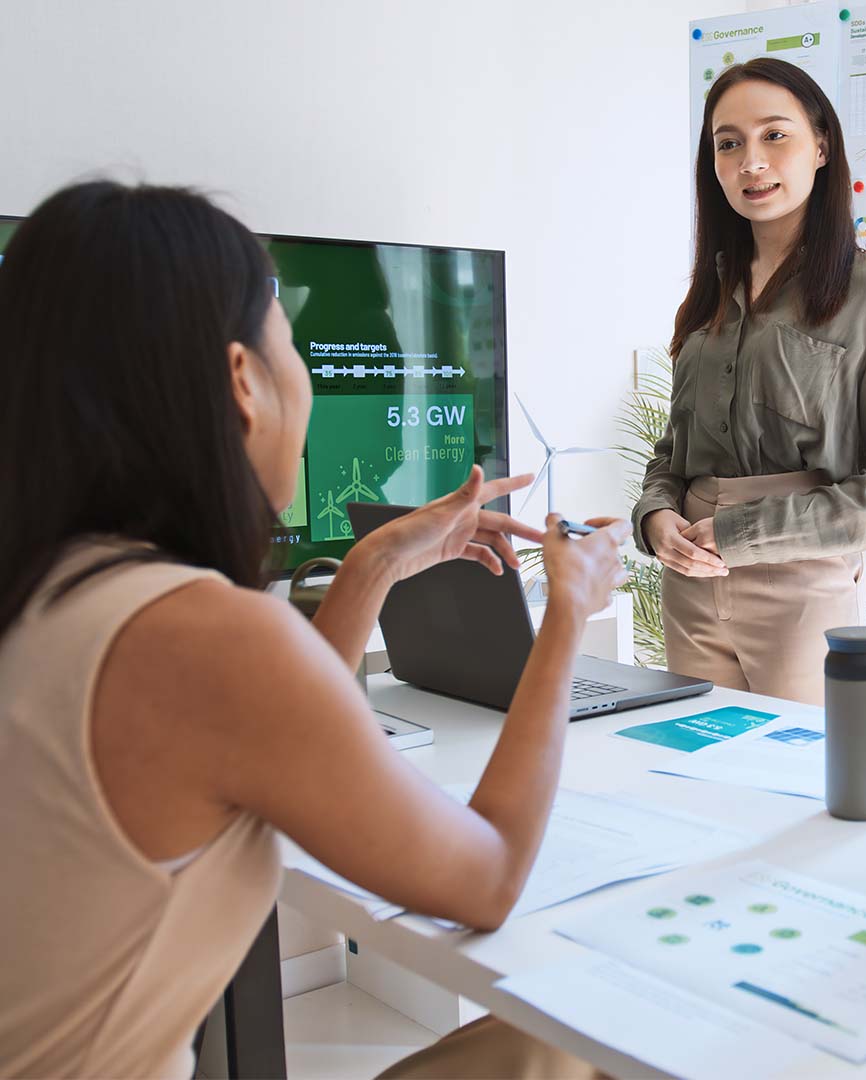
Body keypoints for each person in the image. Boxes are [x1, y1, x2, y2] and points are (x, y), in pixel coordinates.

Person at [0, 180, 629, 1078]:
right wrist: (567, 613)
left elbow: (276, 734)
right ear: (241, 381)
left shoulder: (55, 588)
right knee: (575, 1048)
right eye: (292, 346)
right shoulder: (201, 634)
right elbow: (485, 880)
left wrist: (371, 562)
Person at [633, 58, 866, 706]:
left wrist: (744, 534)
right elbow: (672, 453)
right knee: (698, 780)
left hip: (803, 585)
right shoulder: (708, 295)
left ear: (821, 146)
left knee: (798, 784)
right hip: (689, 580)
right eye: (729, 143)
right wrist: (655, 516)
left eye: (775, 135)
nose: (751, 162)